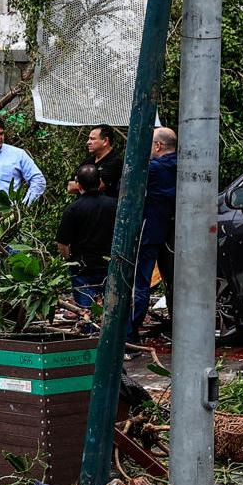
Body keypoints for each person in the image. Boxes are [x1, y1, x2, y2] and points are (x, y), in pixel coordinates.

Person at [132, 126, 179, 337]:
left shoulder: (152, 170)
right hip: (175, 233)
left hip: (150, 230)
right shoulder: (185, 166)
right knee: (173, 281)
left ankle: (130, 331)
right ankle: (177, 327)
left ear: (158, 146)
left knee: (140, 281)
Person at [56, 164, 117, 311]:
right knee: (113, 308)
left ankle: (91, 330)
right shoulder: (114, 205)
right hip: (110, 263)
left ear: (78, 184)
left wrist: (68, 259)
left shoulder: (73, 209)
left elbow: (62, 243)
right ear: (99, 181)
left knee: (86, 311)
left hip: (82, 267)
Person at [84, 124, 124, 198]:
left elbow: (99, 186)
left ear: (105, 141)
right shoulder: (87, 161)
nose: (88, 142)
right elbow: (70, 187)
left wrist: (79, 183)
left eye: (92, 139)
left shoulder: (115, 161)